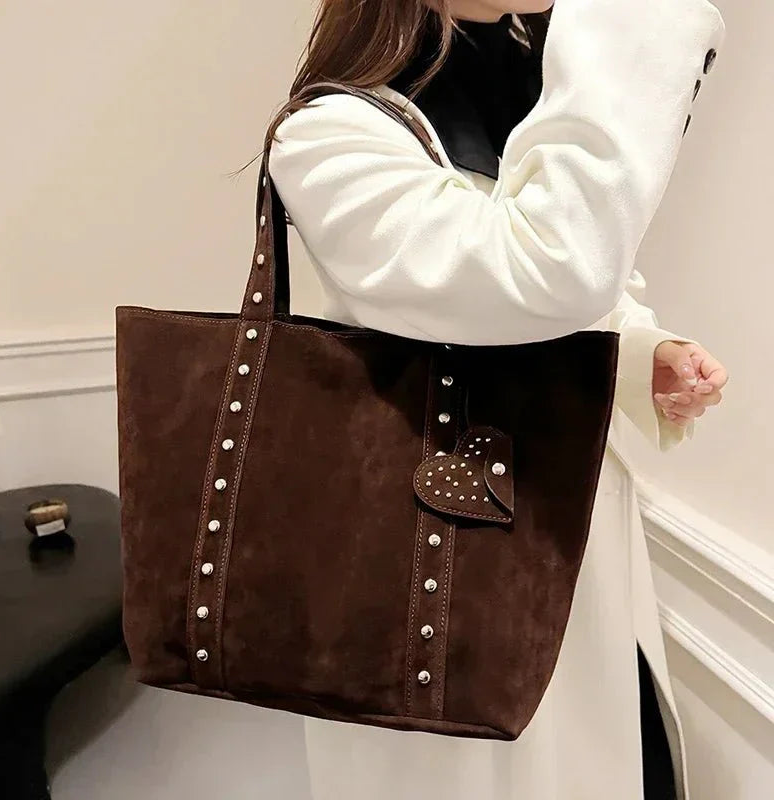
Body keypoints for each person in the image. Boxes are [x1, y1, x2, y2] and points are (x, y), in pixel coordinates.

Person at [265, 1, 729, 798]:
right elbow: (540, 274)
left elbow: (581, 294)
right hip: (432, 575)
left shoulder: (529, 84)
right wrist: (632, 24)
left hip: (571, 544)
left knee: (603, 754)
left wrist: (641, 355)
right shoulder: (329, 132)